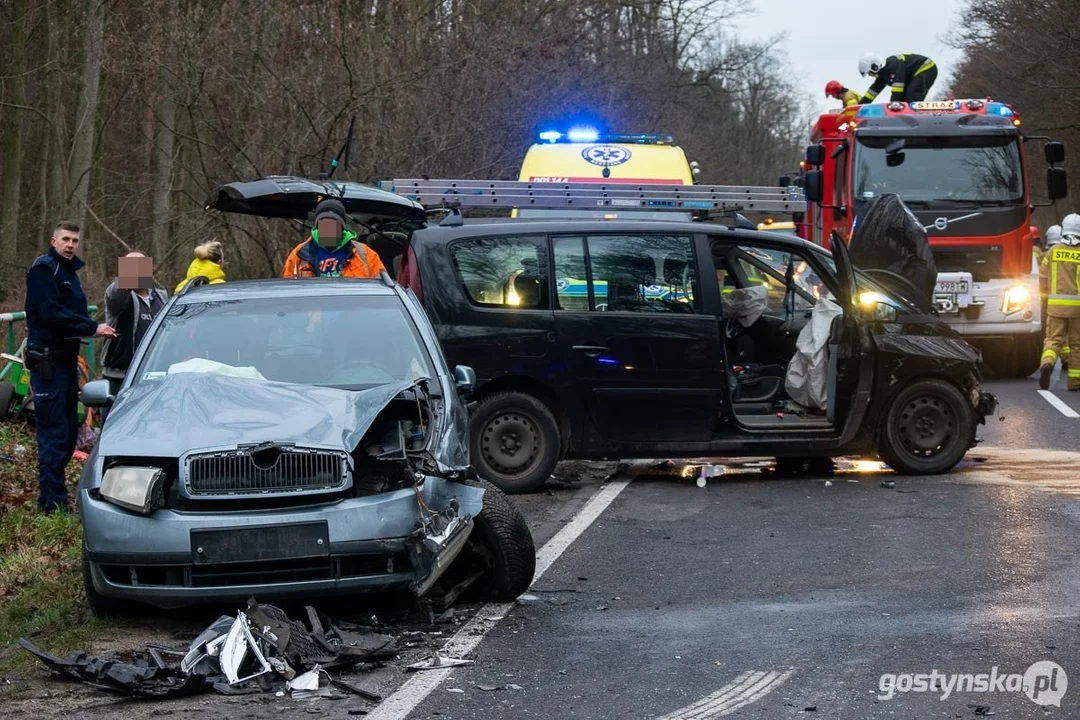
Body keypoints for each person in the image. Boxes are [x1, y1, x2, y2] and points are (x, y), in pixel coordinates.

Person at [24, 221, 116, 513]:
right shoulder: (43, 270)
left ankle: (52, 497)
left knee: (66, 432)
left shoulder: (69, 272)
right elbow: (50, 312)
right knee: (53, 434)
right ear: (53, 241)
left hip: (65, 361)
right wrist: (91, 327)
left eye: (75, 240)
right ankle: (53, 504)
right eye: (65, 239)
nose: (70, 244)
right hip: (48, 362)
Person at [100, 252, 169, 423]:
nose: (136, 270)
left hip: (153, 377)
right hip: (119, 376)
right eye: (130, 266)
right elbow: (116, 296)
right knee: (114, 424)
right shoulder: (117, 294)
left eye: (140, 265)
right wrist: (127, 278)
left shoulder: (161, 296)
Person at [281, 198, 387, 278]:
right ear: (318, 226)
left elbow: (381, 290)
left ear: (342, 227)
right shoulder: (300, 254)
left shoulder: (365, 254)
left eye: (333, 224)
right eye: (324, 224)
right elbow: (287, 291)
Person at [1038, 213, 1080, 390]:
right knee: (1077, 344)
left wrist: (1044, 298)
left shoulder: (1053, 252)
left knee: (1053, 340)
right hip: (1077, 309)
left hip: (1055, 307)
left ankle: (1047, 363)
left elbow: (1042, 276)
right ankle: (1075, 382)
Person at [858, 52, 938, 104]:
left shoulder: (893, 64)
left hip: (926, 68)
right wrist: (858, 107)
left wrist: (892, 107)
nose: (870, 75)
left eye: (870, 73)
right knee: (903, 101)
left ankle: (915, 119)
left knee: (912, 94)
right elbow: (872, 92)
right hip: (913, 75)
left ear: (874, 67)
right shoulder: (883, 75)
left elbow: (898, 89)